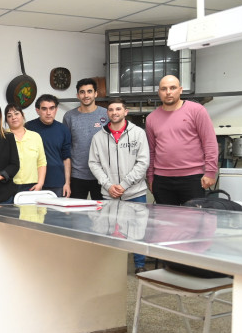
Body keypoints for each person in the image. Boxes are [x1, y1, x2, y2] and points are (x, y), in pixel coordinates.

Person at [88, 98, 150, 273]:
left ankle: (139, 264)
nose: (114, 112)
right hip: (109, 193)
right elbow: (93, 163)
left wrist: (124, 185)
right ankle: (111, 266)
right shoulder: (98, 137)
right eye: (110, 109)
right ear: (107, 113)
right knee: (109, 228)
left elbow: (143, 162)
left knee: (138, 228)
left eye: (118, 109)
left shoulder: (138, 133)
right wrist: (108, 185)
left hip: (134, 191)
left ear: (125, 112)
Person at [146, 75, 218, 205]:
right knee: (165, 223)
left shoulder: (197, 110)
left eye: (172, 88)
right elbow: (151, 151)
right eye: (164, 89)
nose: (168, 92)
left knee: (193, 222)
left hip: (193, 178)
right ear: (159, 92)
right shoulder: (151, 118)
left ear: (180, 90)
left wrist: (211, 172)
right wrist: (150, 177)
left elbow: (210, 143)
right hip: (162, 180)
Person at [63, 78, 107, 199]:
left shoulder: (106, 114)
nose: (86, 95)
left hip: (101, 175)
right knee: (76, 214)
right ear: (78, 95)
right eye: (82, 92)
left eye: (89, 91)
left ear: (95, 93)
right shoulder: (69, 116)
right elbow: (67, 146)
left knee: (102, 214)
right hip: (77, 175)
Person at [25, 94, 72, 197]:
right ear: (38, 110)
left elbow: (66, 158)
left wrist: (67, 183)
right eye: (44, 109)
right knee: (33, 212)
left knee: (56, 213)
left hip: (57, 182)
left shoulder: (63, 130)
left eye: (52, 108)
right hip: (34, 181)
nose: (48, 113)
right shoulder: (28, 127)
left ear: (56, 109)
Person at [5, 103, 46, 193]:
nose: (14, 117)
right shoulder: (3, 137)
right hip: (8, 185)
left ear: (23, 115)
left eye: (16, 114)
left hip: (31, 186)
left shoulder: (35, 136)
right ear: (6, 120)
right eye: (9, 116)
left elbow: (41, 162)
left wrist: (40, 183)